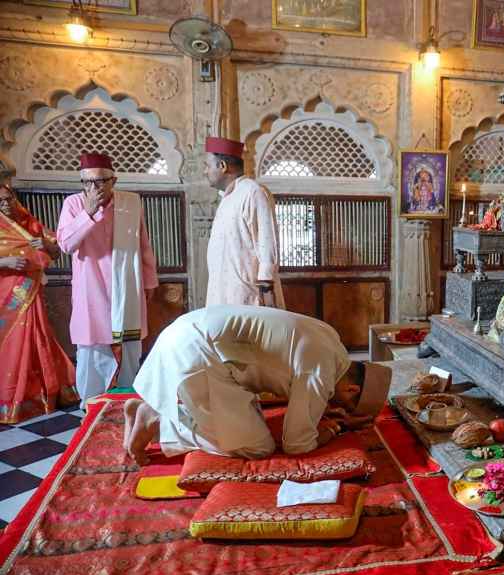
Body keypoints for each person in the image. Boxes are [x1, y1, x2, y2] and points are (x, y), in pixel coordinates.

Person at [127, 305, 392, 465]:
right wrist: (334, 428)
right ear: (352, 389)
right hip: (200, 353)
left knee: (250, 424)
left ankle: (161, 414)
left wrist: (328, 412)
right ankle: (158, 420)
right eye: (346, 406)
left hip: (193, 330)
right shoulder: (321, 371)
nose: (339, 409)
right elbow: (297, 443)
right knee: (257, 447)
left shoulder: (333, 343)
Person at [56, 153, 158, 409]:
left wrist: (149, 281)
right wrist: (89, 213)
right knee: (92, 348)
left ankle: (126, 401)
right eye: (87, 182)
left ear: (114, 180)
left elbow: (143, 244)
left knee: (130, 347)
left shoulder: (131, 203)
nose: (94, 188)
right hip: (92, 289)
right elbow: (66, 243)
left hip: (128, 287)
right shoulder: (73, 204)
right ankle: (91, 404)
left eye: (101, 181)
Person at [0, 181, 78, 423]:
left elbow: (57, 250)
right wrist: (6, 263)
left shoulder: (29, 222)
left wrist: (44, 244)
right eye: (0, 201)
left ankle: (45, 394)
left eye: (8, 199)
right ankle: (11, 399)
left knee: (37, 337)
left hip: (30, 293)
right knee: (11, 344)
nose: (6, 205)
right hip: (7, 296)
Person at [204, 136, 284, 308]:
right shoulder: (227, 198)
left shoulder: (254, 192)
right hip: (221, 295)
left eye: (208, 166)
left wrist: (268, 296)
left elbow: (267, 244)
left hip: (248, 298)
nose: (205, 171)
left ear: (222, 166)